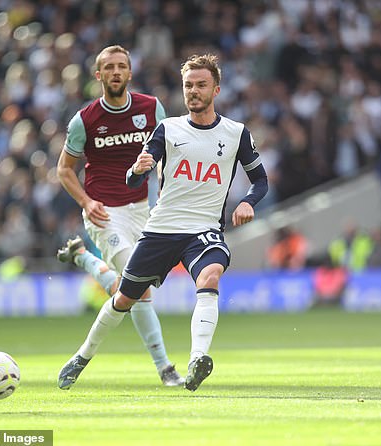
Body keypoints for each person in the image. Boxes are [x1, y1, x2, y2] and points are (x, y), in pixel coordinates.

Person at [57, 53, 268, 392]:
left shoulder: (236, 133)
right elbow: (133, 181)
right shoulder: (168, 129)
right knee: (125, 298)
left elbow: (261, 181)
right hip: (161, 228)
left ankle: (197, 359)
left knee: (210, 275)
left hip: (203, 230)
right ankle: (81, 357)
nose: (193, 91)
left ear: (216, 89)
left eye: (201, 85)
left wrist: (247, 202)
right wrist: (137, 169)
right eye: (188, 86)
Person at [55, 45, 183, 386]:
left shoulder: (151, 108)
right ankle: (163, 367)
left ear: (129, 73)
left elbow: (169, 151)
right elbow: (64, 170)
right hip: (104, 211)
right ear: (98, 76)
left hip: (143, 210)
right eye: (108, 67)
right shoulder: (84, 120)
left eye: (121, 66)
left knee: (126, 289)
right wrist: (85, 202)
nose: (115, 72)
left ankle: (82, 258)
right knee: (138, 287)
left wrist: (165, 191)